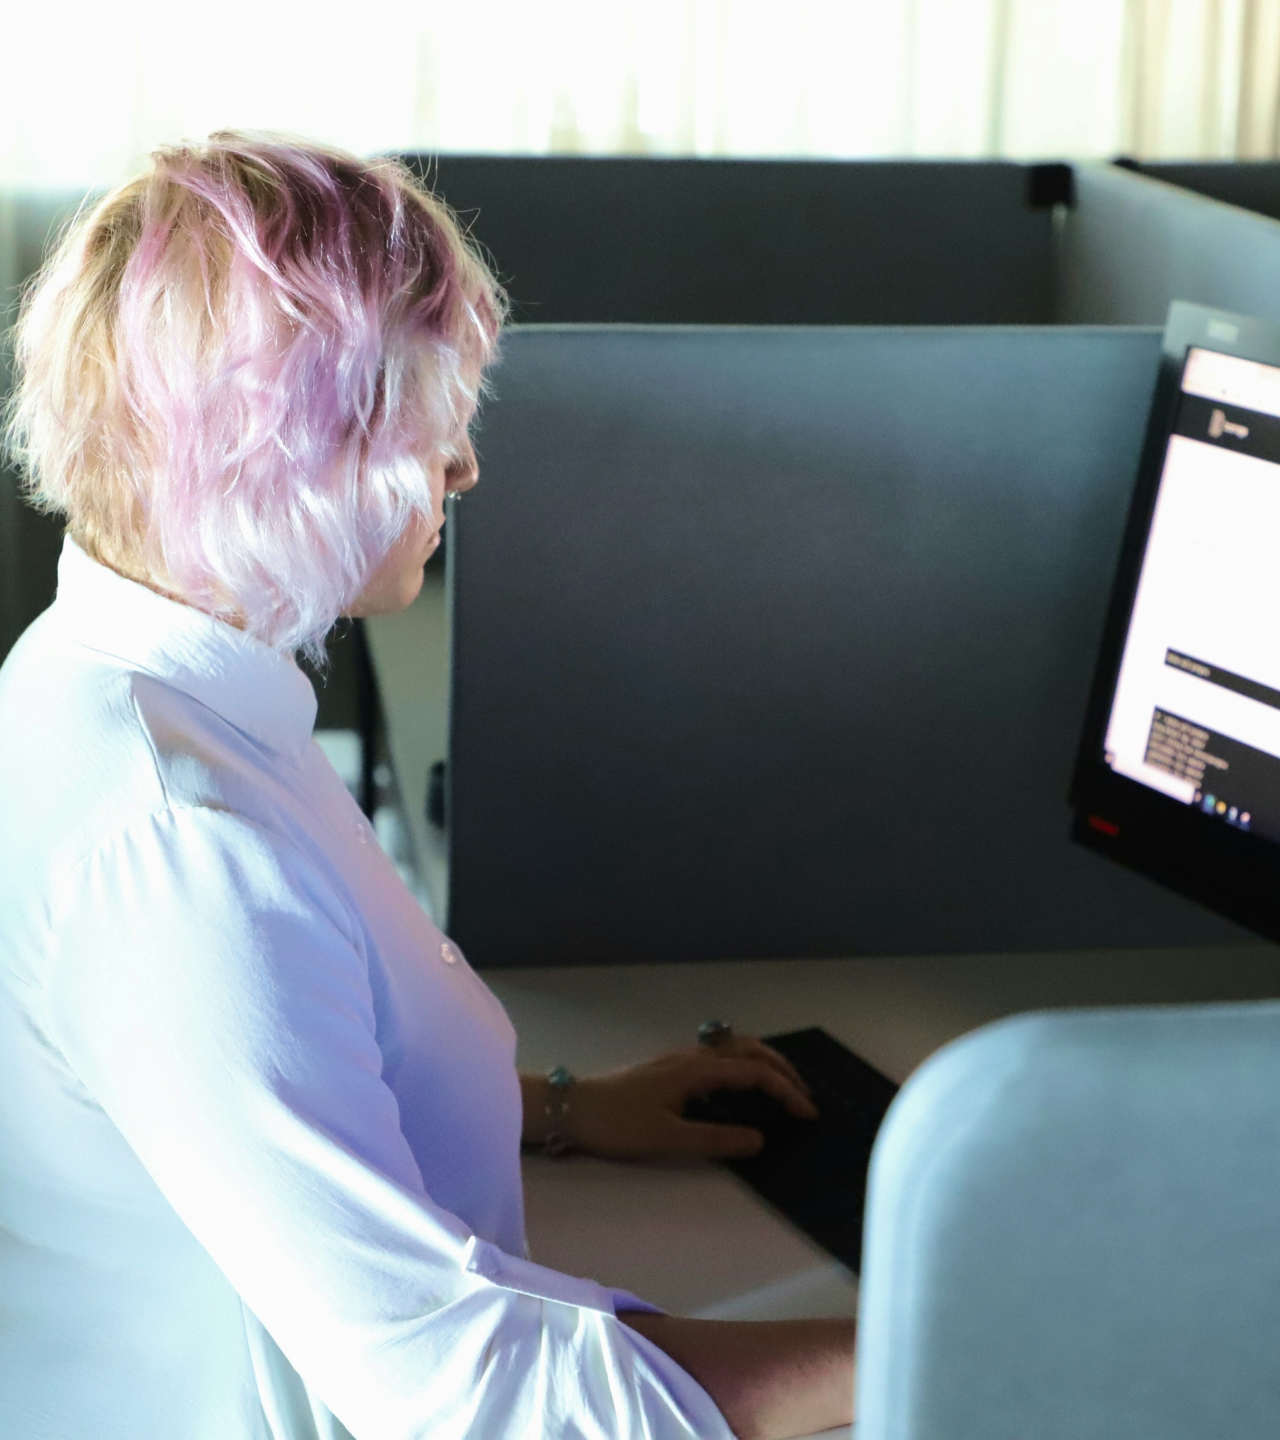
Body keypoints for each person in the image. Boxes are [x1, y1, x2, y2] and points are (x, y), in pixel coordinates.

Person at [0, 133, 855, 1440]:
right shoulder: (180, 842)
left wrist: (559, 1111)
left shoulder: (129, 667)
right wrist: (940, 1329)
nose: (463, 468)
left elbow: (269, 1080)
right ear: (282, 453)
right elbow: (462, 1396)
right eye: (425, 423)